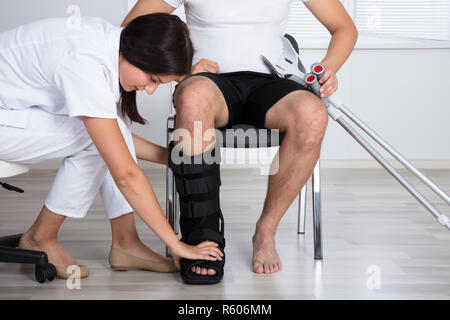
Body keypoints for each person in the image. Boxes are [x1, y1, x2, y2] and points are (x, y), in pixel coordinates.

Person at [123, 0, 358, 284]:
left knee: (312, 113)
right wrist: (183, 72)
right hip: (210, 82)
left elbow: (343, 28)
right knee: (193, 96)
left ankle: (266, 231)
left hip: (273, 80)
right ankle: (201, 236)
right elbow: (129, 31)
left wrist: (328, 68)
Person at [0, 13, 223, 279]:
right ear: (138, 54)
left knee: (106, 133)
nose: (150, 90)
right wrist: (176, 244)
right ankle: (40, 237)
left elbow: (117, 137)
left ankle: (126, 243)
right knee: (97, 139)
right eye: (153, 79)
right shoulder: (85, 62)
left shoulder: (112, 42)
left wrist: (176, 158)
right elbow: (126, 174)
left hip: (10, 111)